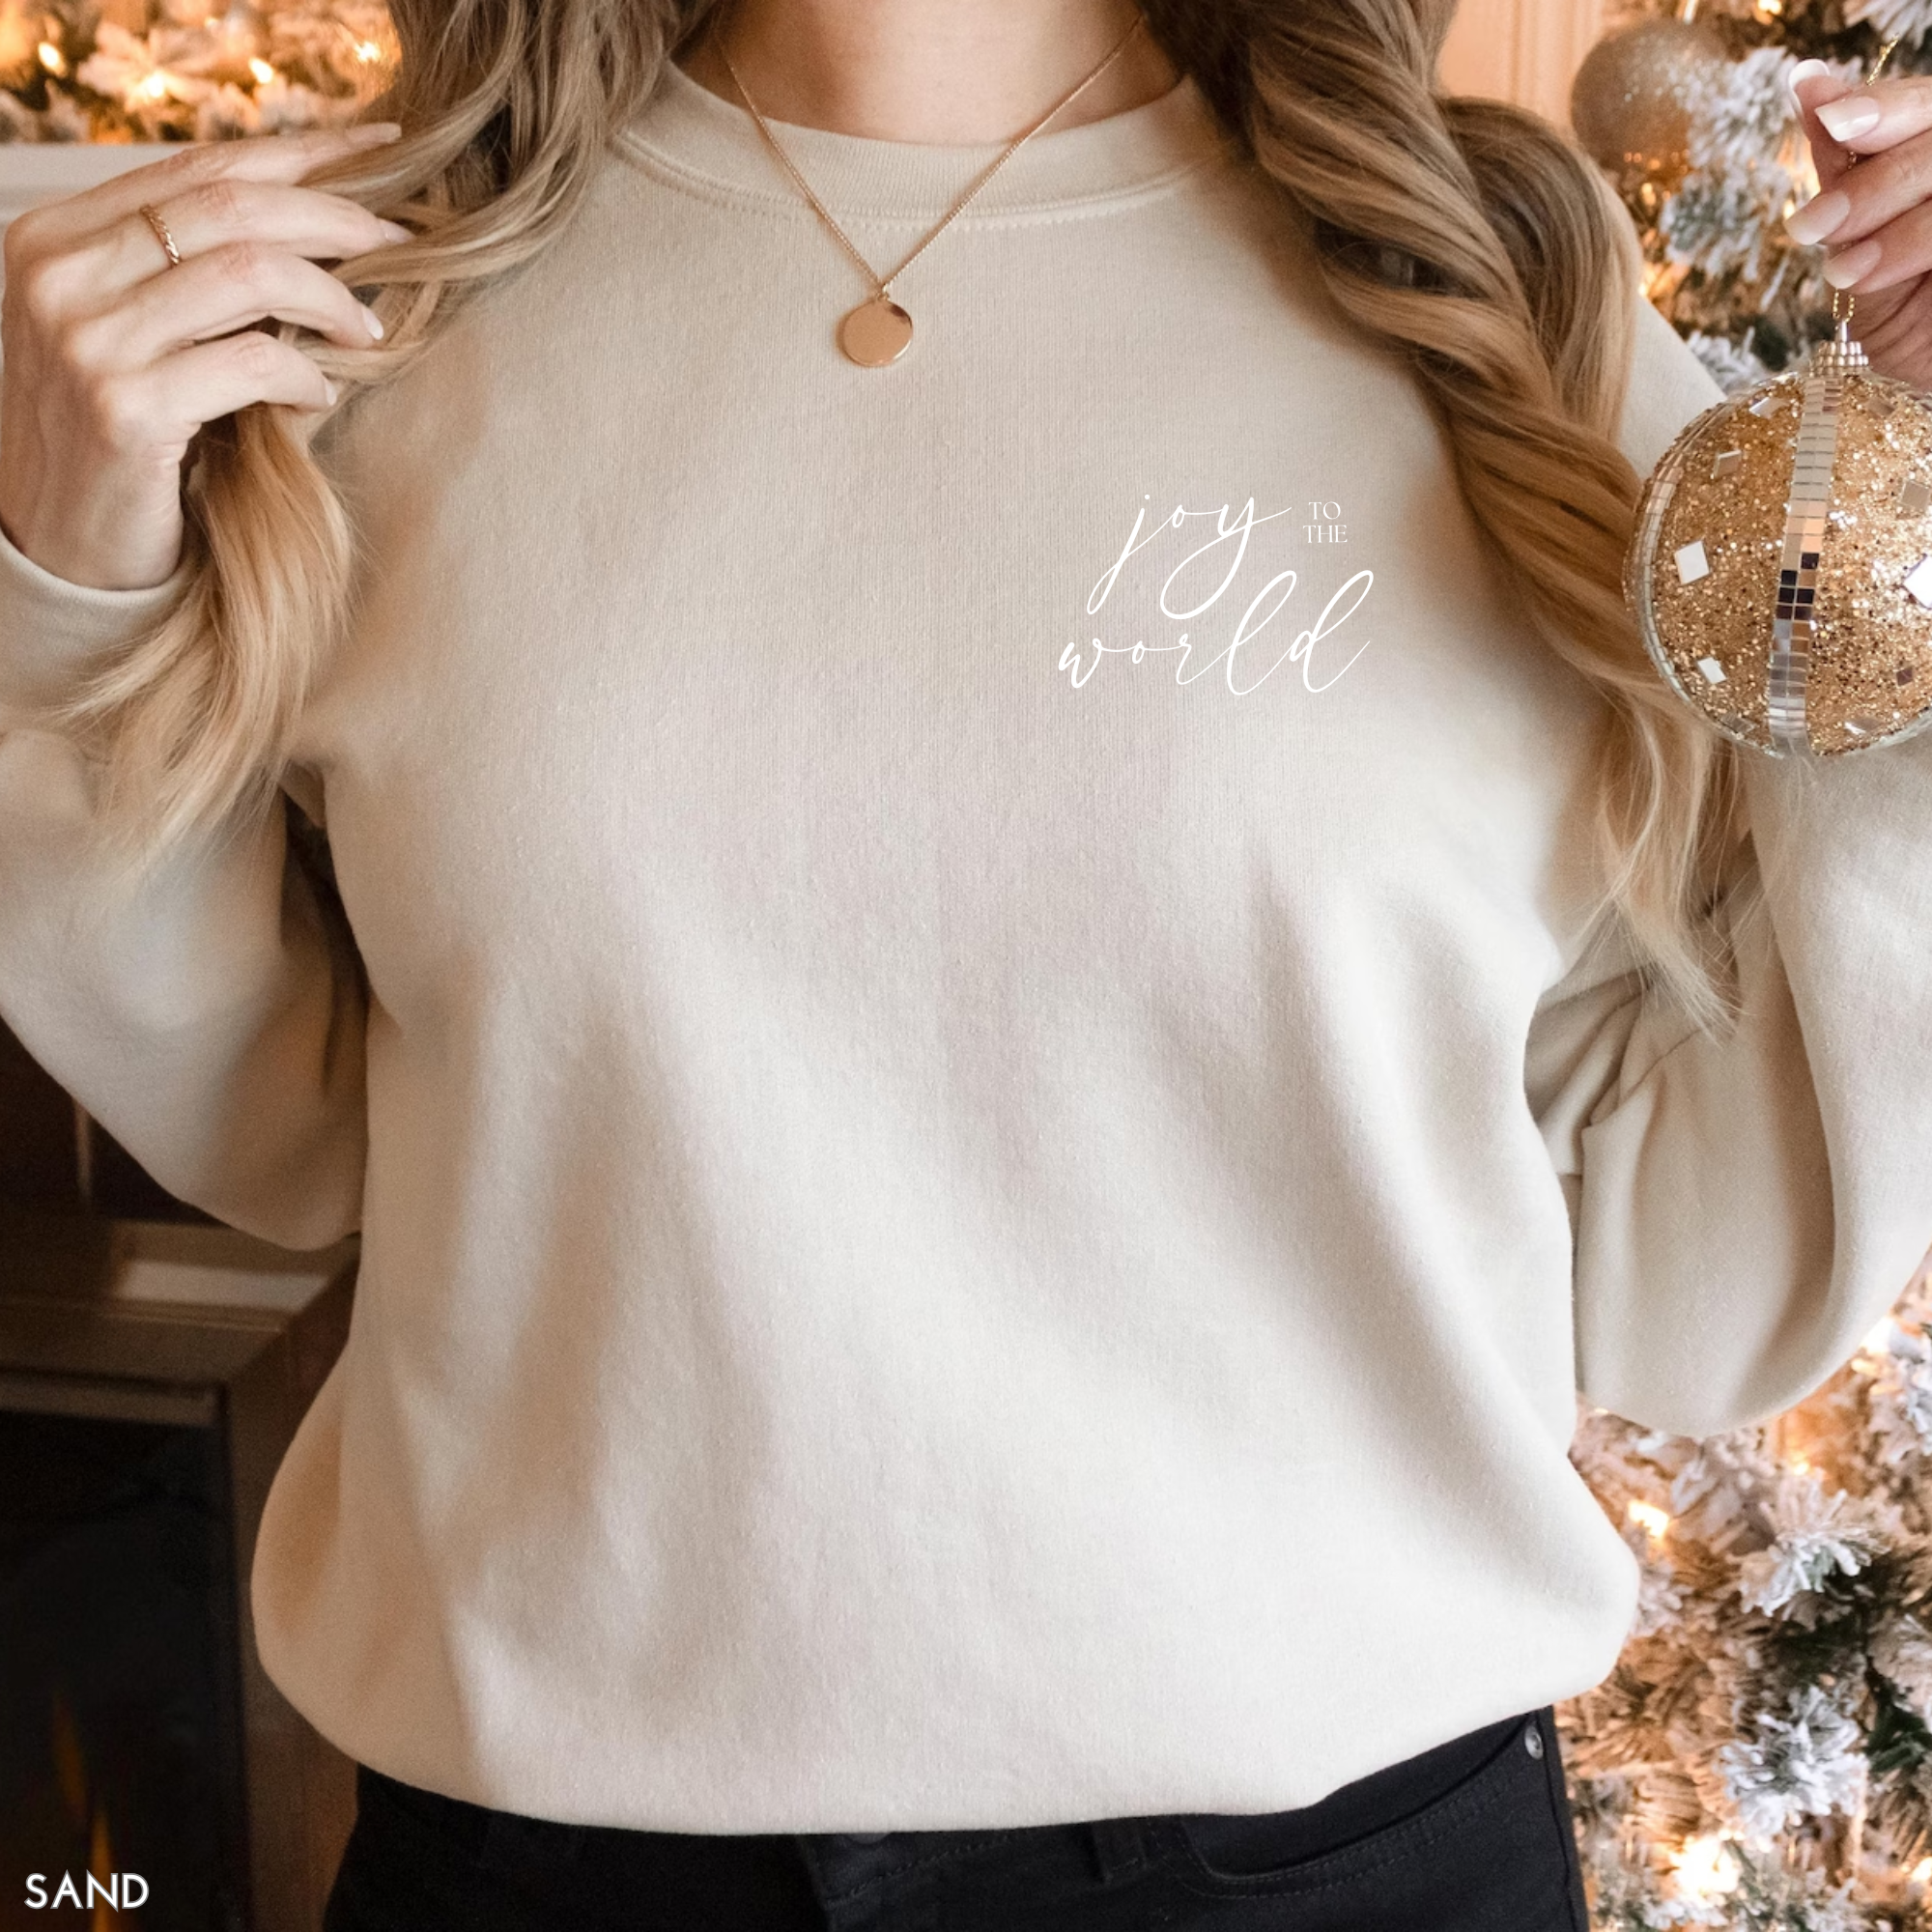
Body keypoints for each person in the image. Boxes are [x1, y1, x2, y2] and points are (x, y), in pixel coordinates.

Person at [0, 0, 1927, 1924]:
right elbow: (294, 1127)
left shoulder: (1505, 316)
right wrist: (65, 591)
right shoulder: (355, 311)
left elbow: (1681, 1271)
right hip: (550, 1867)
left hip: (1346, 1871)